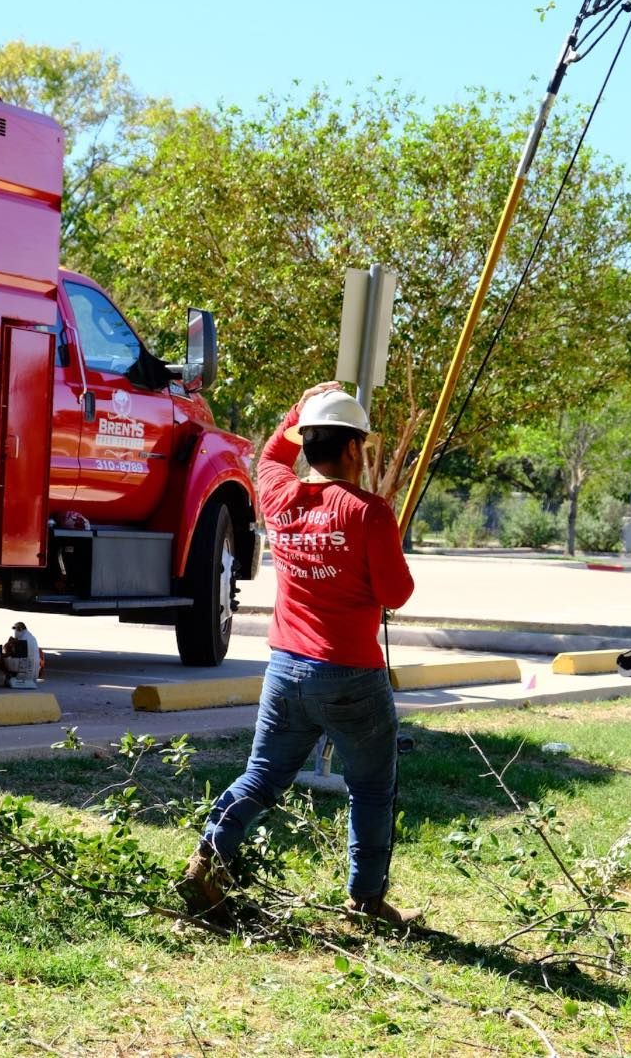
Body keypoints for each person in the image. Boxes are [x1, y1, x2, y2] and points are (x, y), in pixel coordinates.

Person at [180, 382, 420, 925]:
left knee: (261, 777)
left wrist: (302, 406)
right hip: (351, 674)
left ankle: (206, 861)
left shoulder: (279, 496)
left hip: (285, 668)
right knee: (373, 787)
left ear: (308, 443)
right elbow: (396, 595)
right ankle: (365, 900)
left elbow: (270, 454)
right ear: (356, 449)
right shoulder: (370, 512)